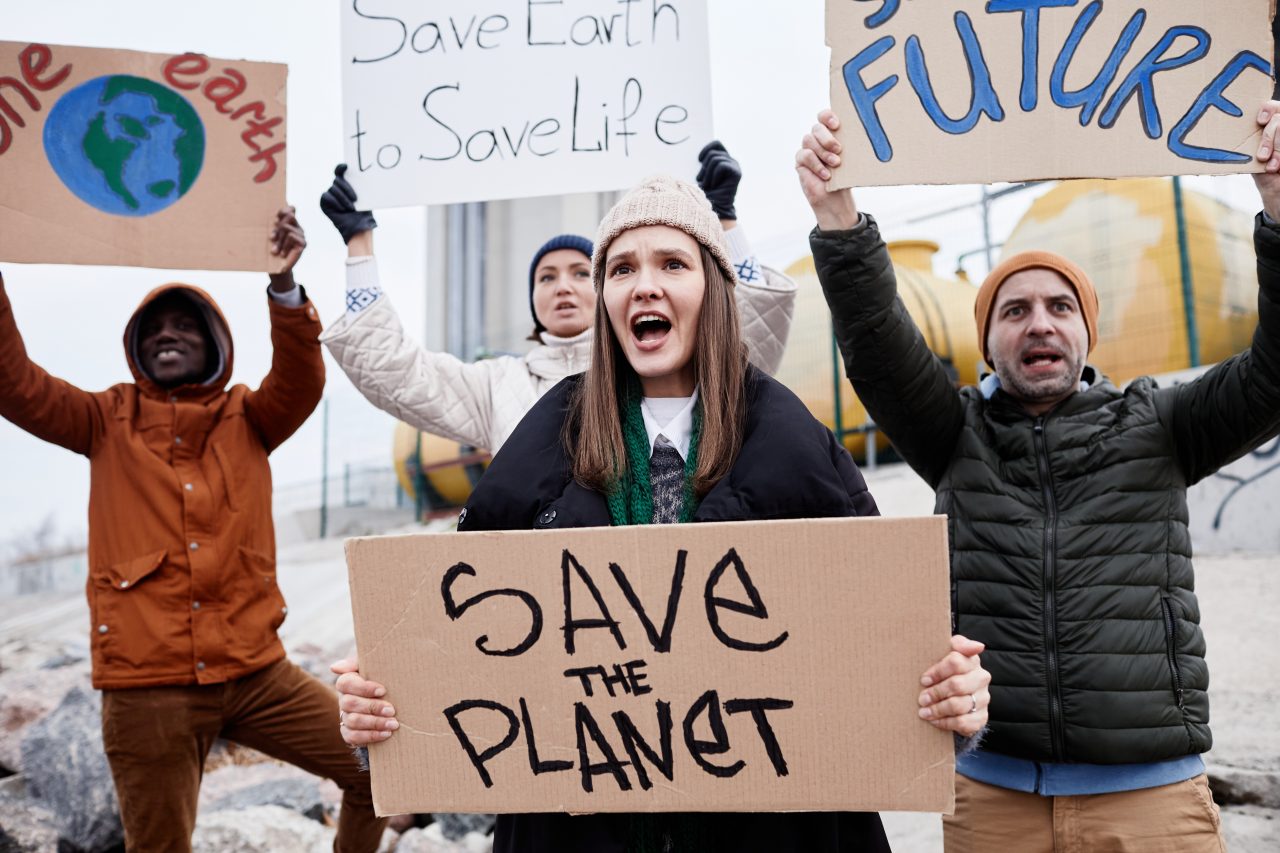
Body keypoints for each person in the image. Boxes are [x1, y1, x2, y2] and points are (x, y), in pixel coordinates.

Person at [333, 175, 992, 852]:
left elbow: (881, 651)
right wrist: (385, 711)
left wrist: (951, 706)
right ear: (607, 303)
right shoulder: (538, 441)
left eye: (672, 264)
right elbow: (458, 663)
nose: (644, 285)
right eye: (621, 268)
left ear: (712, 289)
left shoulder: (793, 441)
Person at [795, 101, 1280, 852]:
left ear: (1088, 334)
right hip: (993, 802)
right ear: (987, 344)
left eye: (1060, 306)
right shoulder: (954, 435)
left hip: (1152, 801)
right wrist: (838, 219)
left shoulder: (1159, 425)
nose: (1040, 323)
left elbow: (1273, 372)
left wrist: (1278, 213)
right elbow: (876, 343)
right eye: (1014, 310)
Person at [0, 209, 386, 853]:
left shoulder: (250, 417)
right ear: (136, 348)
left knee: (377, 771)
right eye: (155, 329)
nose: (168, 335)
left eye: (186, 325)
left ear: (215, 344)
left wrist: (283, 285)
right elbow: (15, 384)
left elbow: (301, 379)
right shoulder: (104, 420)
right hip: (146, 688)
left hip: (258, 673)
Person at [318, 141, 798, 455]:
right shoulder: (497, 386)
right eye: (546, 278)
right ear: (533, 301)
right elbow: (396, 374)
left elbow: (749, 339)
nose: (563, 286)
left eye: (577, 273)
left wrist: (724, 222)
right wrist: (359, 244)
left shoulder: (663, 364)